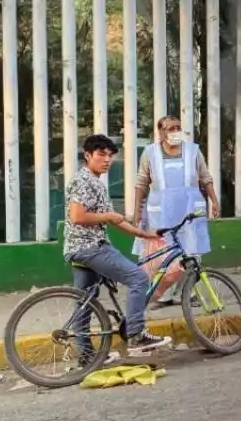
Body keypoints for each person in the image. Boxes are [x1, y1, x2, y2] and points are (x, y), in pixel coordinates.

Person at [65, 135, 171, 352]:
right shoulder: (83, 181)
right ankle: (136, 334)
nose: (107, 160)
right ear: (87, 155)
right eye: (101, 154)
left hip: (80, 248)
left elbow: (116, 220)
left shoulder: (96, 183)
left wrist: (144, 234)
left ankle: (86, 356)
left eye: (110, 156)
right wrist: (108, 217)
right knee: (138, 278)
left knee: (85, 302)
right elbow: (77, 216)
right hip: (90, 247)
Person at [132, 116, 220, 307]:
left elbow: (205, 177)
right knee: (163, 254)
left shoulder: (193, 151)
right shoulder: (150, 153)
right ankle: (163, 295)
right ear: (161, 132)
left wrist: (214, 200)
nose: (175, 131)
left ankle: (185, 292)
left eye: (178, 127)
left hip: (189, 208)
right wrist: (137, 210)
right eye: (171, 128)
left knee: (192, 252)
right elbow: (141, 183)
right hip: (161, 211)